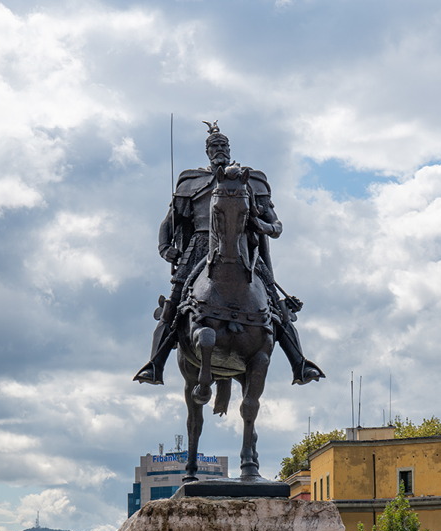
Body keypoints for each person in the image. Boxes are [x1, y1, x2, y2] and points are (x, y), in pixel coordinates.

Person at [134, 121, 324, 386]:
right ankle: (154, 365)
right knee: (173, 306)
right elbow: (170, 221)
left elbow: (276, 225)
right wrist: (165, 248)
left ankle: (300, 364)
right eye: (214, 146)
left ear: (229, 148)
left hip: (244, 248)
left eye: (223, 145)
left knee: (275, 306)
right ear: (207, 151)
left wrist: (261, 225)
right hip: (199, 247)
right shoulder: (191, 181)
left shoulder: (253, 180)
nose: (219, 149)